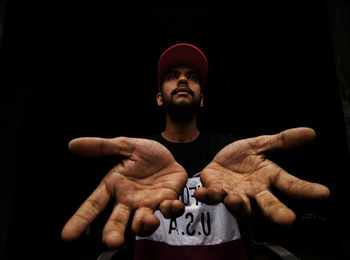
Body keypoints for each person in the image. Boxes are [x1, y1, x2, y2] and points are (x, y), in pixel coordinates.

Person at [61, 43, 330, 259]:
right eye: (172, 76)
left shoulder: (229, 152)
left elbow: (254, 215)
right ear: (158, 97)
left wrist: (255, 213)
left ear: (201, 99)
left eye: (191, 77)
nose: (182, 80)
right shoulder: (139, 159)